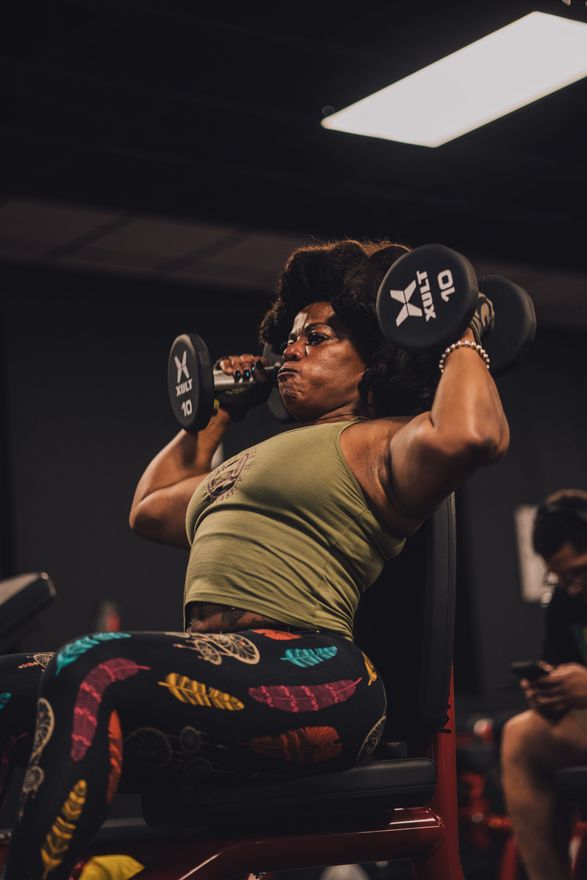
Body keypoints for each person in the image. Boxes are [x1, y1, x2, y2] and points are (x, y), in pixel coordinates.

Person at [0, 238, 508, 879]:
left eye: (316, 337)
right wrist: (213, 414)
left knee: (92, 665)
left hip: (319, 679)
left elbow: (474, 432)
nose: (290, 349)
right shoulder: (251, 461)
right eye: (289, 338)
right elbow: (150, 506)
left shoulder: (386, 442)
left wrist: (456, 333)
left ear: (374, 358)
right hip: (216, 677)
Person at [501, 488, 587, 880]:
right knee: (519, 735)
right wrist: (546, 692)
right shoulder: (565, 599)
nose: (572, 586)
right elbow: (555, 667)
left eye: (579, 571)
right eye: (559, 576)